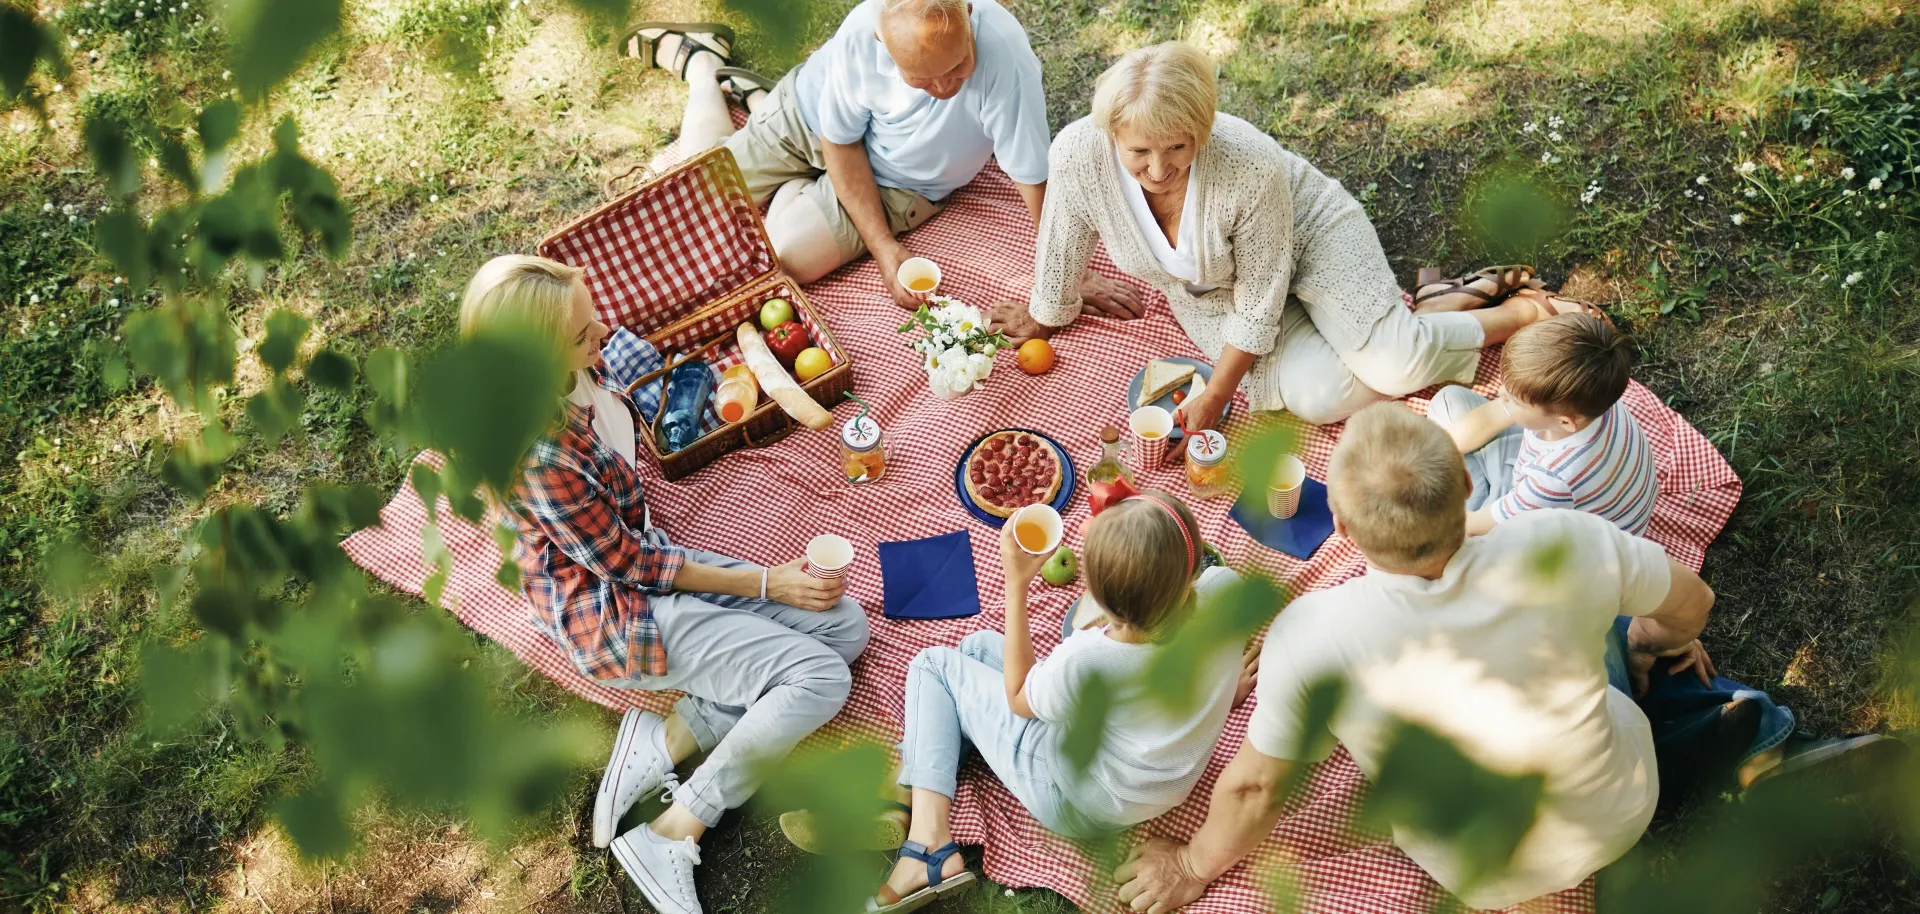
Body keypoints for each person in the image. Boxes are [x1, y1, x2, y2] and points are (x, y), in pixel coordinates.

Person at [1112, 405, 1901, 912]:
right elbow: (1692, 604)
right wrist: (1653, 640)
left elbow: (1252, 785)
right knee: (1606, 632)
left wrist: (1190, 865)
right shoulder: (1564, 540)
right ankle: (1745, 737)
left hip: (1491, 872)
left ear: (1344, 534)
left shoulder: (1312, 636)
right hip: (1620, 796)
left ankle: (1718, 753)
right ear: (1464, 484)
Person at [463, 255, 870, 914]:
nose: (600, 337)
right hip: (615, 613)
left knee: (845, 625)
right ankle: (677, 826)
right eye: (581, 334)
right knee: (821, 678)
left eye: (592, 317)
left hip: (646, 560)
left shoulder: (566, 371)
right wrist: (766, 583)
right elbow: (628, 567)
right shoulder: (538, 459)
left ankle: (669, 737)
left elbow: (650, 382)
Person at [990, 42, 1600, 428]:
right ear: (1111, 135)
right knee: (1322, 398)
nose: (1157, 169)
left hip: (1311, 235)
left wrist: (1217, 395)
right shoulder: (1077, 154)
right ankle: (1433, 307)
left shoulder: (1248, 163)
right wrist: (1047, 314)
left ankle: (1520, 315)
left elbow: (1260, 299)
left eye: (1178, 148)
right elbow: (1061, 243)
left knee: (1395, 362)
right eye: (1139, 151)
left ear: (1204, 130)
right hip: (1217, 290)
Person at [862, 493, 1246, 912]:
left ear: (1100, 601)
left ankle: (929, 846)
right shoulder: (1227, 593)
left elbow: (1018, 697)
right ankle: (918, 782)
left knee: (933, 667)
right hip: (1155, 781)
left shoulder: (1088, 658)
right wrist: (1224, 689)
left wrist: (1016, 582)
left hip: (1075, 794)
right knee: (974, 651)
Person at [626, 1, 1137, 314]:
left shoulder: (1007, 58)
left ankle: (760, 132)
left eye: (958, 66)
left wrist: (1071, 273)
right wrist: (884, 247)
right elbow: (841, 142)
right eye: (922, 76)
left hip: (902, 179)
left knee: (785, 255)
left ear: (971, 14)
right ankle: (702, 67)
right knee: (683, 201)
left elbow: (1033, 179)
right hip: (811, 118)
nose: (943, 88)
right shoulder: (858, 37)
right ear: (880, 41)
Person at [1425, 313, 1657, 536]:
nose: (1499, 392)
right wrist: (1433, 452)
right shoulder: (1594, 396)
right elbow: (1494, 414)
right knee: (1450, 401)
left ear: (1564, 422)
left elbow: (1472, 527)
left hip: (1563, 541)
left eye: (1515, 399)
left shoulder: (1553, 479)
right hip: (1577, 492)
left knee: (1453, 521)